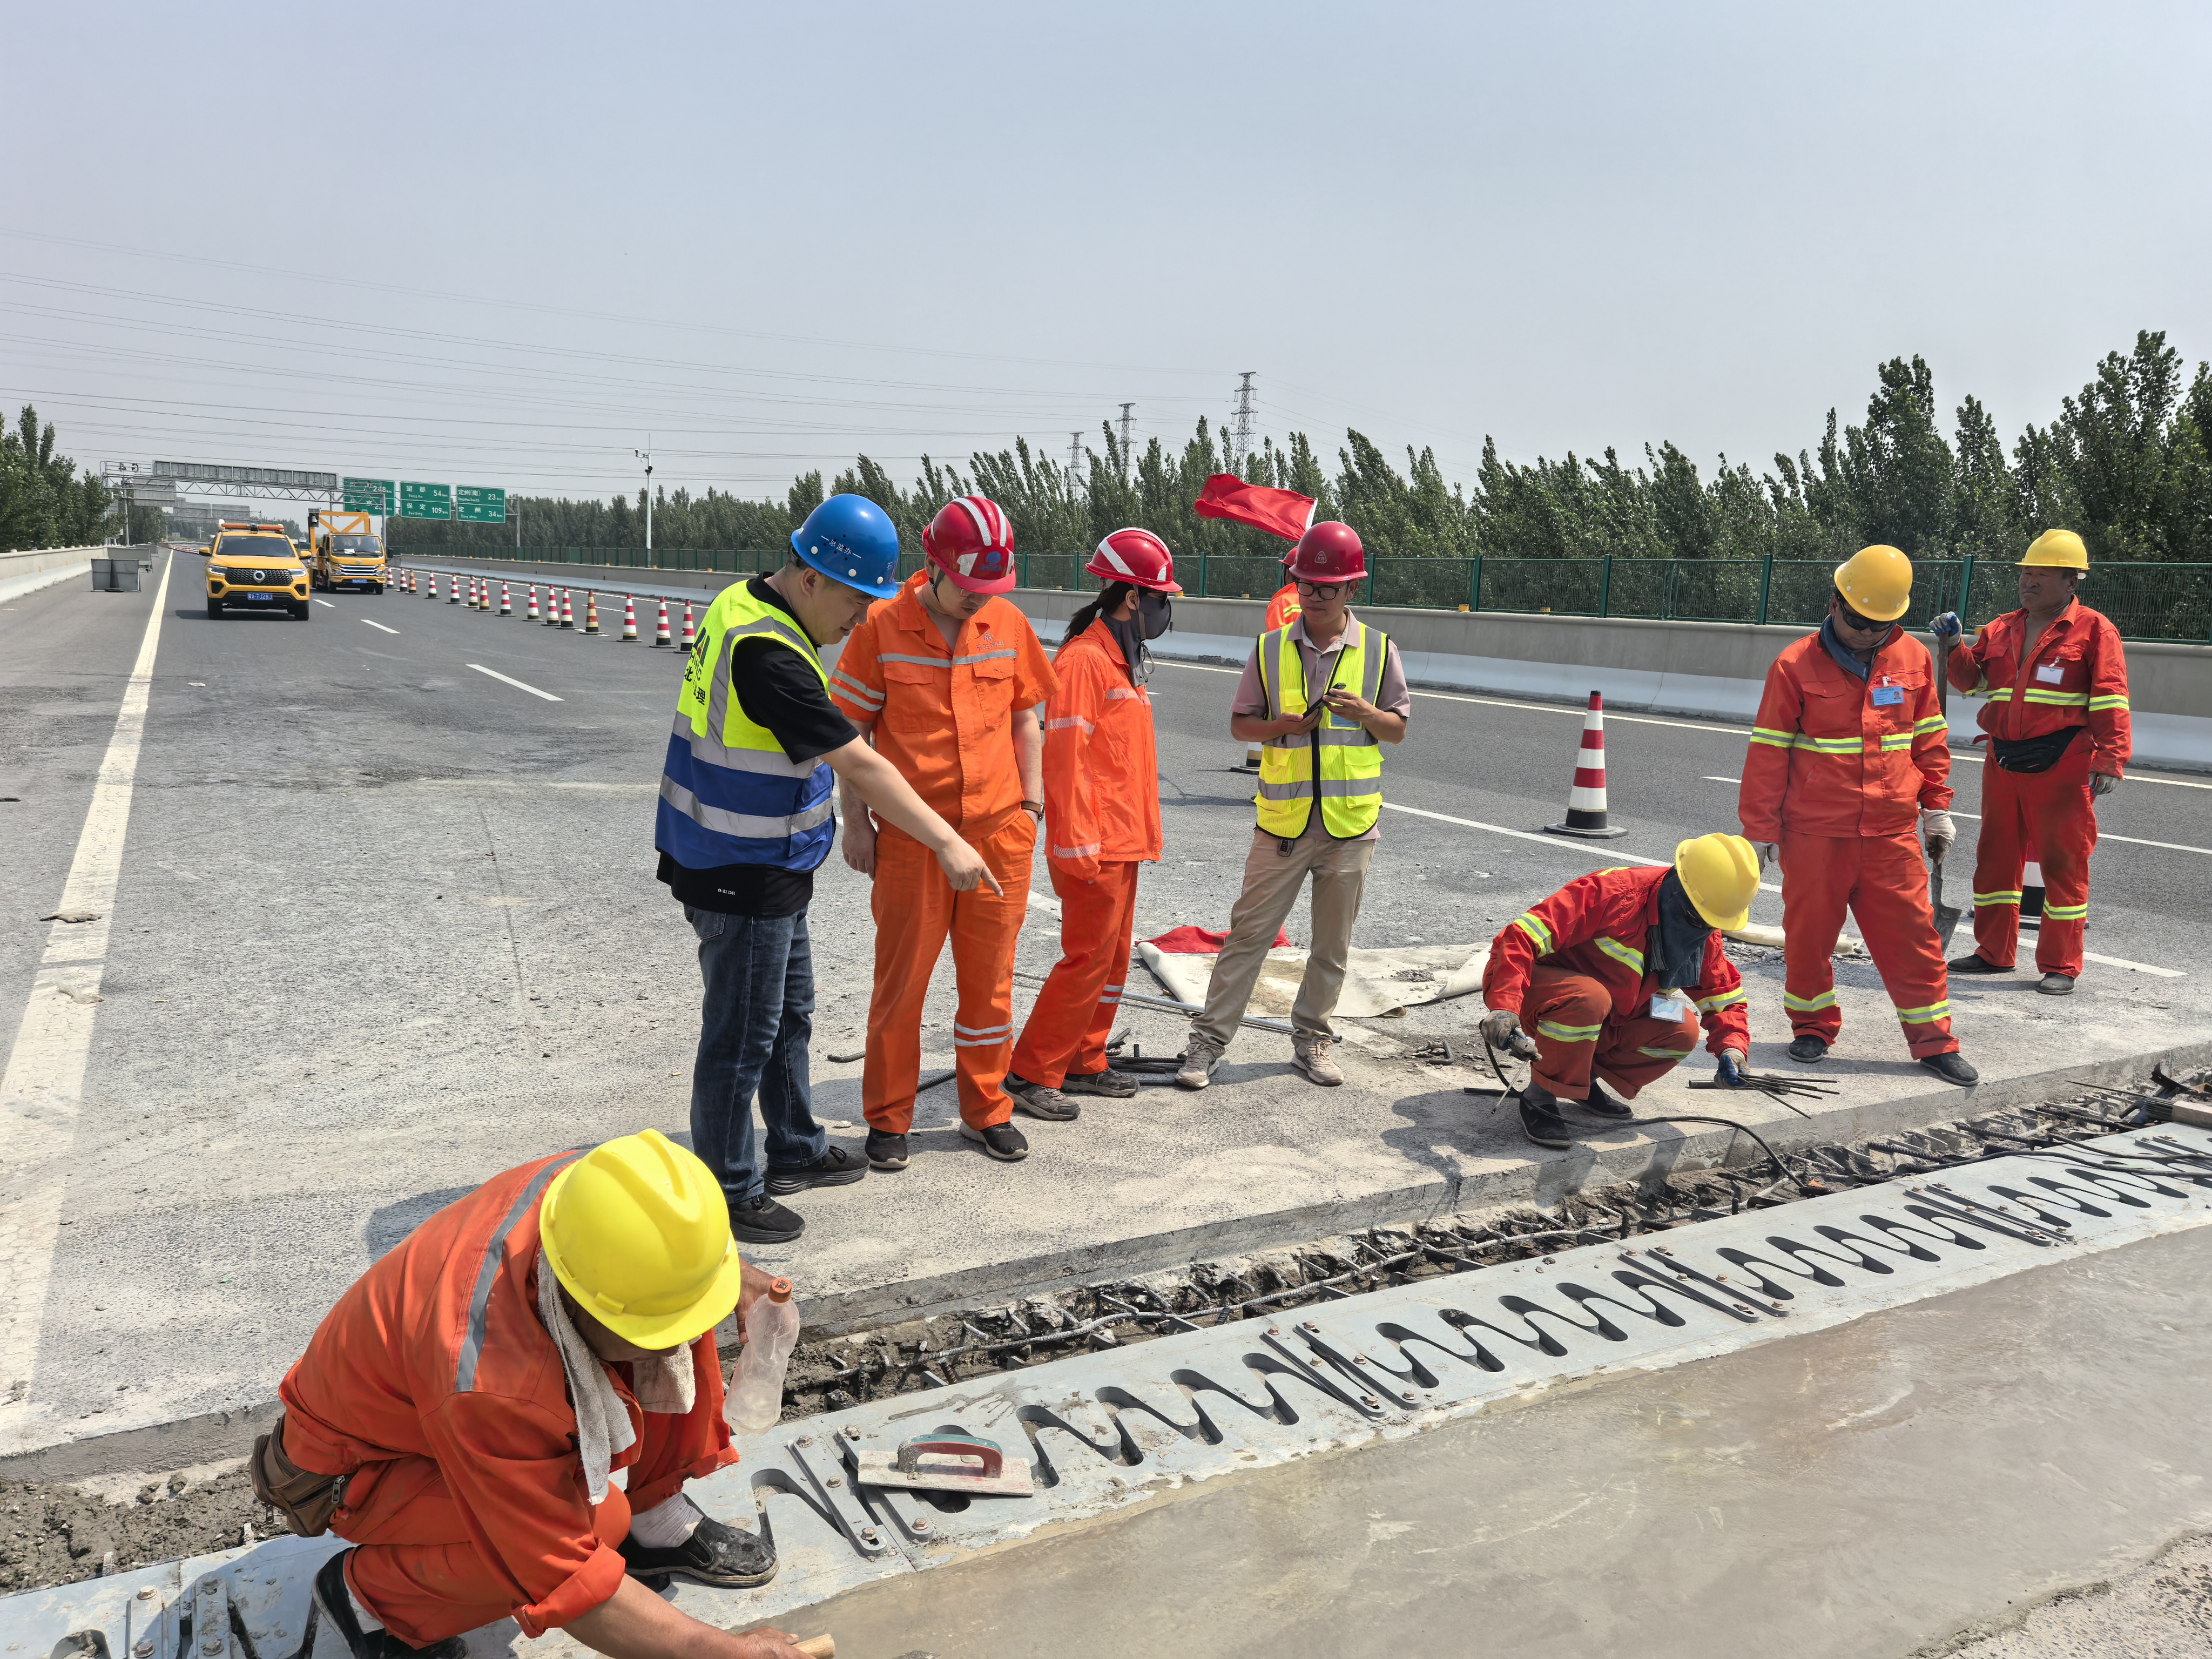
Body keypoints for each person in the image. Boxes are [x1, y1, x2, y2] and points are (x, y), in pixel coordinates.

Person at [257, 1130, 814, 1659]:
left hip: (424, 1408)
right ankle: (371, 1599)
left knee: (673, 1313)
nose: (680, 1344)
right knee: (597, 1525)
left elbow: (664, 1249)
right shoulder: (487, 1379)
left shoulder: (600, 1194)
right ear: (583, 1300)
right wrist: (719, 1651)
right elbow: (560, 1577)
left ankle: (656, 1516)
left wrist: (724, 1275)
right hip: (358, 1473)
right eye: (649, 1331)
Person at [657, 494, 997, 1245]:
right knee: (741, 1037)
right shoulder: (770, 654)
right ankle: (729, 1188)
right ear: (810, 578)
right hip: (739, 865)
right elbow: (861, 764)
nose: (861, 617)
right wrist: (947, 841)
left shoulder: (749, 603)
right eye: (854, 599)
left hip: (767, 858)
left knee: (789, 1016)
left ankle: (795, 1147)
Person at [830, 495, 1056, 1168]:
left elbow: (1025, 721)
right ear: (932, 564)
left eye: (991, 586)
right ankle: (889, 1119)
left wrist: (1031, 809)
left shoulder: (1007, 622)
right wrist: (856, 823)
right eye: (966, 584)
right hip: (911, 841)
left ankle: (986, 1110)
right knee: (901, 987)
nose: (978, 597)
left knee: (990, 984)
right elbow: (851, 737)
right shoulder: (880, 626)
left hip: (1000, 836)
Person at [1176, 521, 1411, 1090]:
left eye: (1326, 587)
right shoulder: (1269, 649)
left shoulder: (1379, 650)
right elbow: (1240, 726)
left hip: (1350, 827)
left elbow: (1397, 729)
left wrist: (1366, 714)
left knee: (1331, 948)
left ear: (1352, 588)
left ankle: (1312, 1040)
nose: (1313, 595)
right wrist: (1278, 726)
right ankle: (1207, 1043)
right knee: (1247, 938)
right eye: (1305, 583)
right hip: (1281, 826)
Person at [1738, 545, 1978, 1084]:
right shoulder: (1794, 665)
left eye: (1880, 625)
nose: (1867, 633)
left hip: (1891, 833)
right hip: (1815, 832)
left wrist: (1937, 808)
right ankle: (1812, 1026)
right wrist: (1759, 830)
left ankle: (1934, 1042)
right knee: (1809, 938)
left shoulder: (1913, 659)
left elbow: (1929, 740)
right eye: (1858, 621)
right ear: (1835, 603)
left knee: (1914, 943)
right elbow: (1769, 751)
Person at [1002, 529, 1182, 1118]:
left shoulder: (1120, 661)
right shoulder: (1084, 660)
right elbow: (1064, 759)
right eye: (1160, 598)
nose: (1166, 609)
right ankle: (1032, 1071)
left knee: (1112, 961)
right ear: (1131, 598)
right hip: (1094, 843)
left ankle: (1084, 1058)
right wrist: (1076, 839)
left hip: (1122, 841)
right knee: (1086, 960)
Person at [1937, 529, 2130, 996]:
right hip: (2003, 758)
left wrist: (2110, 757)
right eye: (2026, 573)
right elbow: (1971, 681)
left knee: (2063, 864)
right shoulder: (2001, 628)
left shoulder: (2094, 630)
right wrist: (1955, 646)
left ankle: (2061, 964)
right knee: (1995, 859)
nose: (2030, 581)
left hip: (2064, 760)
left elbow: (2111, 696)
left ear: (2071, 581)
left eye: (2043, 574)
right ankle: (1993, 952)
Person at [1478, 835, 1761, 1147]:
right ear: (1678, 889)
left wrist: (1733, 1049)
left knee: (1682, 1028)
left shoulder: (1701, 934)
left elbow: (1723, 998)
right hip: (1538, 992)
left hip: (1615, 1007)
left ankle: (1582, 1081)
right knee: (1589, 998)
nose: (1703, 929)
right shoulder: (1613, 894)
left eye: (1711, 922)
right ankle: (1540, 1097)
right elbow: (1519, 939)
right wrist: (1505, 1005)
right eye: (1698, 918)